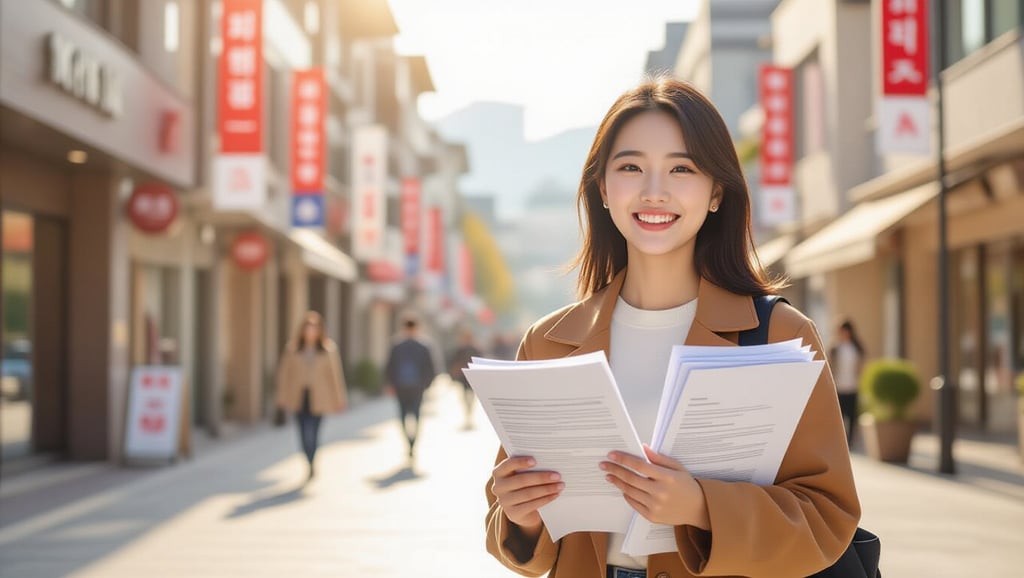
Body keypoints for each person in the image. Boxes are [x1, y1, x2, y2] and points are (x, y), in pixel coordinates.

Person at [484, 78, 860, 578]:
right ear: (603, 189)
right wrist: (521, 517)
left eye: (681, 168)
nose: (654, 191)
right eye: (631, 167)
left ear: (715, 192)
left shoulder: (780, 335)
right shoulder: (549, 342)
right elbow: (517, 535)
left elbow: (827, 518)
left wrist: (701, 507)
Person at [275, 311, 347, 480]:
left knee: (313, 432)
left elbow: (335, 376)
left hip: (320, 398)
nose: (311, 331)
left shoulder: (328, 349)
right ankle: (308, 459)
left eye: (314, 328)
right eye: (308, 327)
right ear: (302, 330)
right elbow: (284, 374)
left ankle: (312, 460)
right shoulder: (293, 349)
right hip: (299, 398)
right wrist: (281, 396)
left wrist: (339, 399)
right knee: (303, 432)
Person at [384, 315, 437, 458]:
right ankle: (409, 442)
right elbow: (390, 366)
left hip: (417, 388)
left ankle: (413, 443)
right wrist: (389, 384)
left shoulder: (424, 347)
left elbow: (430, 367)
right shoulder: (396, 346)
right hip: (401, 388)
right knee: (402, 417)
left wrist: (427, 385)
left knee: (416, 415)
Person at [830, 319, 865, 445]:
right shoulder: (835, 348)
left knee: (852, 417)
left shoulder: (856, 348)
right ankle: (840, 441)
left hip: (853, 387)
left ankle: (849, 443)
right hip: (838, 388)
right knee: (839, 418)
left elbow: (860, 367)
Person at [448, 327, 483, 429]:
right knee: (464, 397)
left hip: (472, 376)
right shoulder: (460, 349)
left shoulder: (475, 349)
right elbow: (454, 363)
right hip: (463, 376)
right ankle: (467, 415)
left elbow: (480, 361)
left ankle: (469, 414)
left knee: (471, 398)